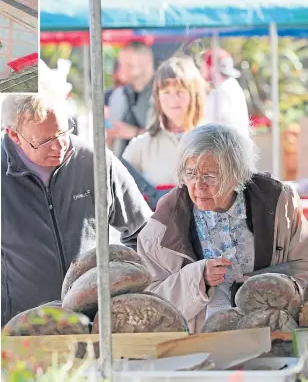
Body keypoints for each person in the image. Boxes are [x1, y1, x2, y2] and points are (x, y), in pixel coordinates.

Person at [137, 124, 308, 333]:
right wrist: (198, 278)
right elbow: (150, 302)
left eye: (210, 176)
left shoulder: (279, 202)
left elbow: (304, 265)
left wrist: (267, 282)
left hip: (271, 335)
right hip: (199, 342)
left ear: (237, 174)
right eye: (190, 174)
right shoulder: (163, 225)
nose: (198, 185)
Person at [1, 91, 152, 326]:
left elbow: (145, 233)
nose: (59, 145)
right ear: (13, 135)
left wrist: (131, 289)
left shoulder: (94, 161)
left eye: (63, 131)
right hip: (20, 330)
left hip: (93, 325)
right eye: (44, 140)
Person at [121, 56, 206, 208]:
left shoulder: (213, 142)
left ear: (194, 94)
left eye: (180, 91)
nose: (173, 99)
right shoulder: (141, 145)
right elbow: (122, 200)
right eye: (166, 92)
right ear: (157, 97)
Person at [106, 41, 155, 157]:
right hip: (123, 164)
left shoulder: (164, 92)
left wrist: (135, 133)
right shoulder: (118, 94)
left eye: (129, 65)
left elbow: (171, 133)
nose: (122, 70)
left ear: (146, 62)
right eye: (121, 64)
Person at [201, 48, 250, 138]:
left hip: (227, 146)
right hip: (234, 145)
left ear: (211, 68)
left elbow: (206, 124)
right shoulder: (232, 85)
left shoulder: (220, 91)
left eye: (203, 63)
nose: (201, 68)